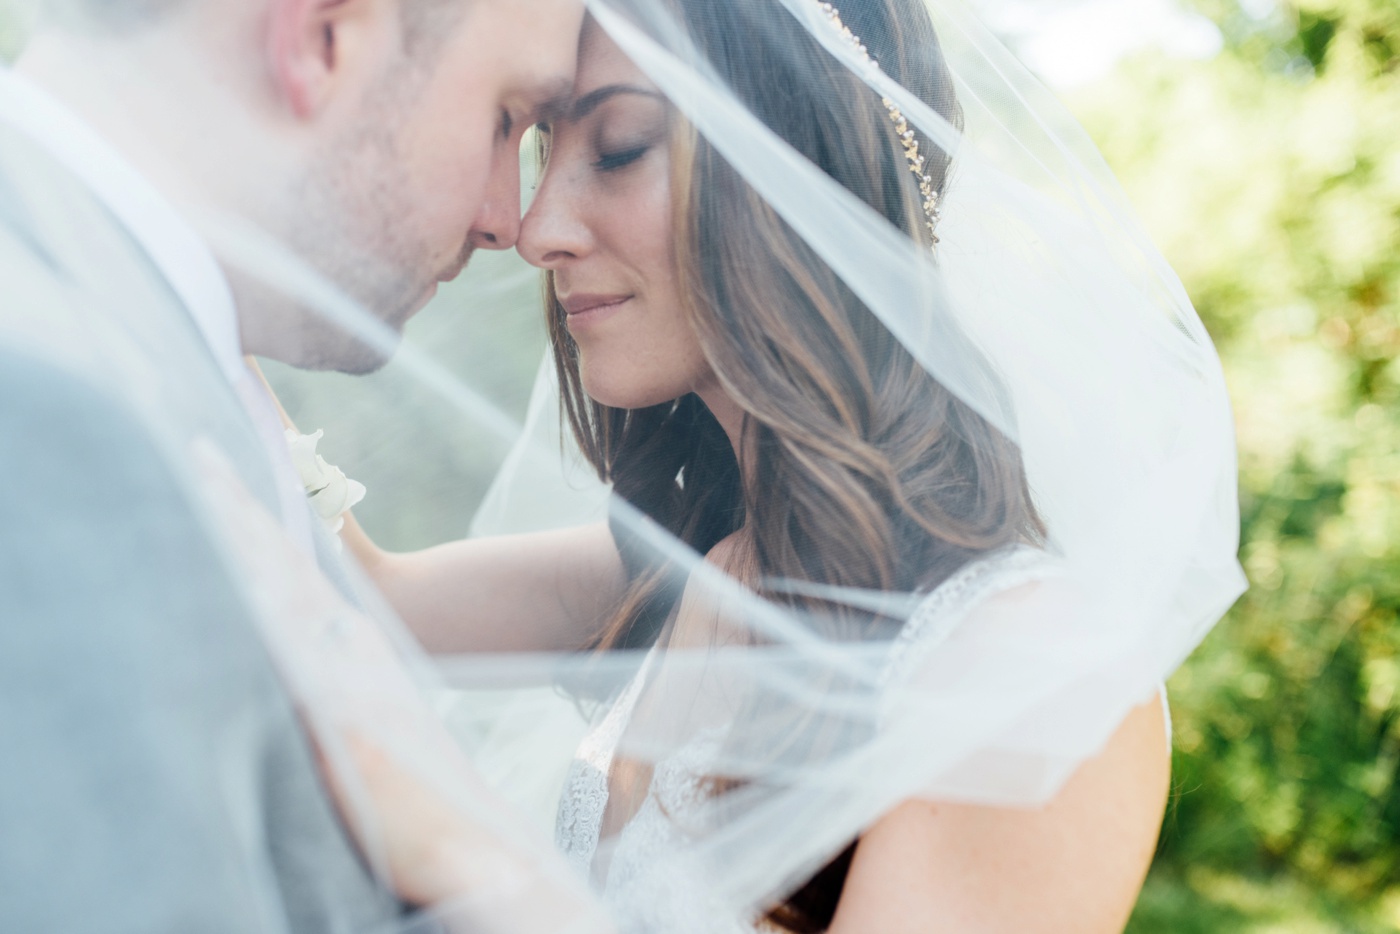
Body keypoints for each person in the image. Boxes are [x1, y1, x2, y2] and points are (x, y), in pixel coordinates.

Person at [300, 0, 1244, 931]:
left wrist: (455, 857)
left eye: (620, 146)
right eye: (547, 149)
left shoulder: (1031, 671)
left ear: (800, 168)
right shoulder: (678, 571)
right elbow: (354, 598)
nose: (538, 227)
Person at [0, 0, 585, 930]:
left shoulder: (137, 338)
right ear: (322, 37)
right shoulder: (46, 411)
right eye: (505, 118)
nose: (506, 222)